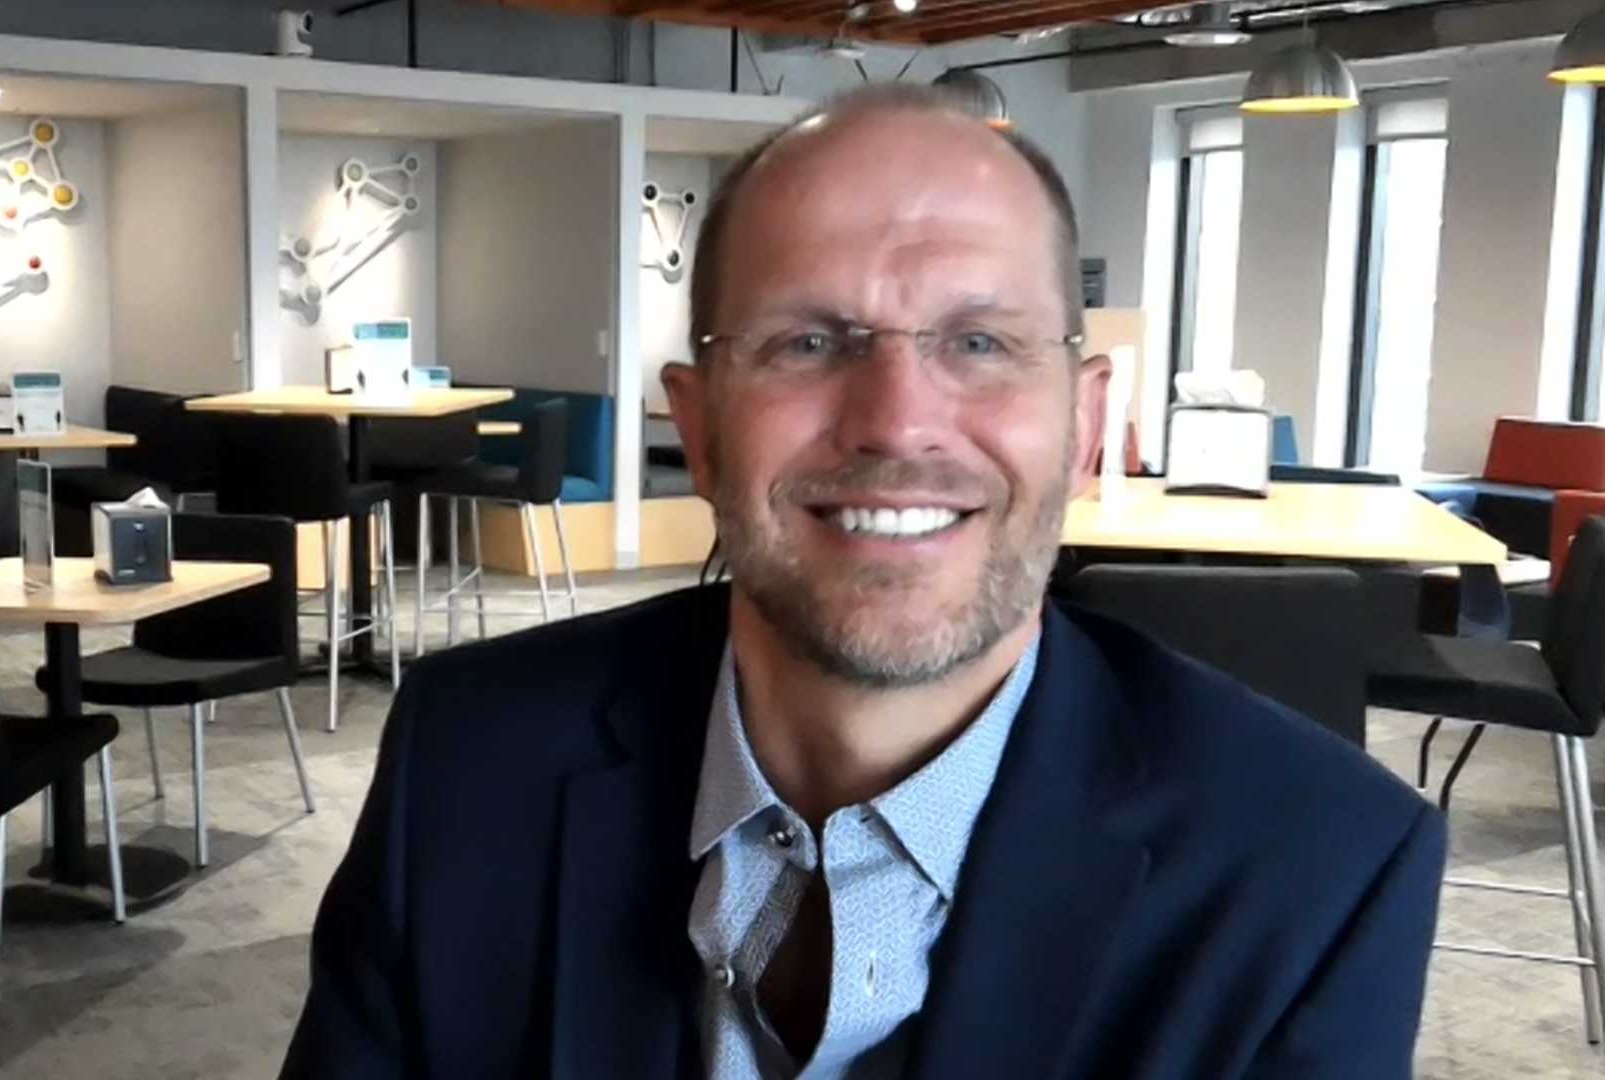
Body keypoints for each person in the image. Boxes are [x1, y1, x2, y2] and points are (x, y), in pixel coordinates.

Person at [278, 83, 1446, 1080]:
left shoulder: (1318, 869)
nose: (896, 420)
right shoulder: (467, 757)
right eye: (807, 342)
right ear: (702, 428)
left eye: (980, 342)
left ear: (1087, 428)